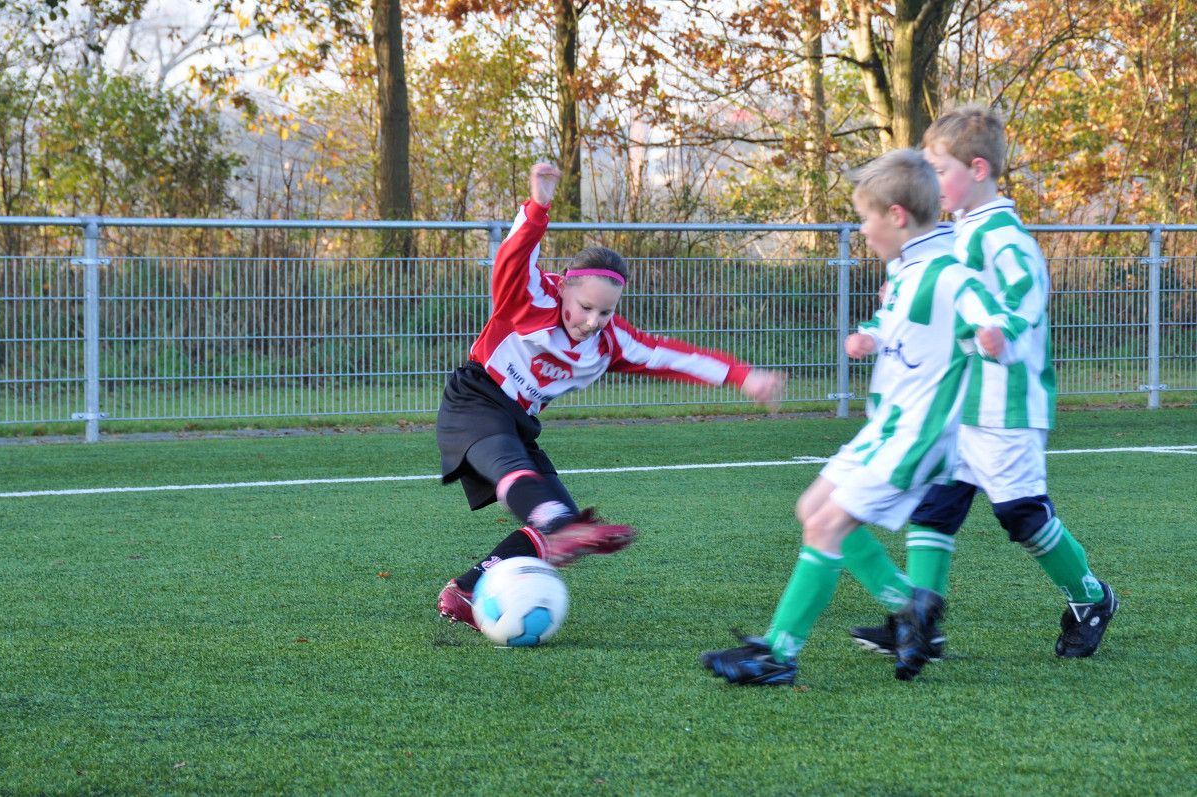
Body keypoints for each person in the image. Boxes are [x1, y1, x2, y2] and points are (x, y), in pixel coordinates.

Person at [702, 148, 1018, 685]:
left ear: (896, 215)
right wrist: (870, 335)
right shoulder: (906, 269)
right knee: (811, 508)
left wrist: (993, 336)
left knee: (826, 525)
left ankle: (779, 654)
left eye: (866, 218)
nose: (863, 231)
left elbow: (987, 314)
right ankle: (911, 610)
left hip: (917, 436)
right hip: (884, 429)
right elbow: (897, 322)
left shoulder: (946, 272)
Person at [436, 162, 788, 631]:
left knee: (564, 523)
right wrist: (538, 207)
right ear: (565, 284)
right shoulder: (530, 298)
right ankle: (552, 523)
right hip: (475, 399)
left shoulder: (611, 342)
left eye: (605, 312)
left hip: (519, 422)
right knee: (539, 499)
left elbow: (673, 357)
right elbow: (513, 259)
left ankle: (467, 589)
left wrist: (742, 376)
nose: (592, 321)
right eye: (585, 307)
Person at [847, 106, 1118, 661]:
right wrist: (883, 320)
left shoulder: (1001, 234)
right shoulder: (951, 234)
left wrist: (1002, 328)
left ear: (976, 169)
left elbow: (1026, 291)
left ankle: (1090, 597)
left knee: (1021, 514)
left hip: (1004, 401)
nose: (931, 181)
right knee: (934, 507)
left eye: (938, 170)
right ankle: (920, 625)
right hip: (954, 401)